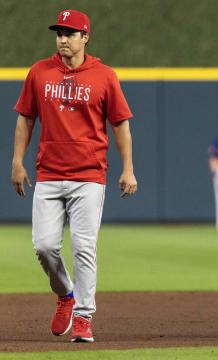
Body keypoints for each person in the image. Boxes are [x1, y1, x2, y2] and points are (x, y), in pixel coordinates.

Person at [10, 9, 137, 343]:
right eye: (59, 33)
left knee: (84, 247)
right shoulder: (39, 72)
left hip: (89, 175)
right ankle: (66, 293)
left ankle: (83, 316)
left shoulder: (104, 75)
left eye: (70, 33)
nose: (62, 39)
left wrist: (128, 168)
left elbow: (120, 123)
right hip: (48, 173)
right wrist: (17, 161)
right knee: (44, 246)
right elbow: (25, 118)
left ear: (85, 37)